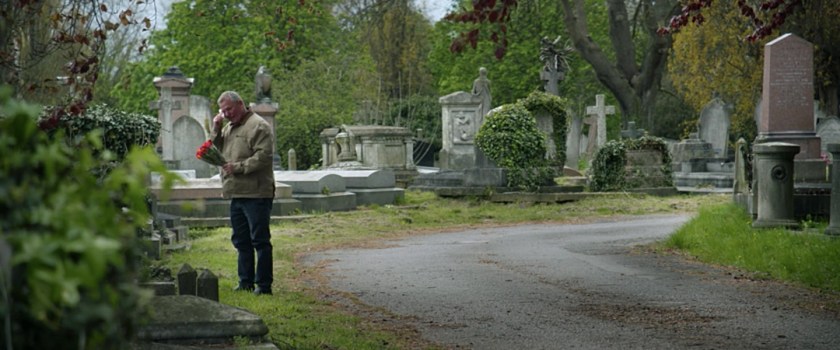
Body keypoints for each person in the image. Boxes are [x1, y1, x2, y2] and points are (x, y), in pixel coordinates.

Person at [212, 91, 276, 295]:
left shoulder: (258, 125)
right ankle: (245, 281)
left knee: (260, 240)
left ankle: (264, 286)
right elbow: (217, 149)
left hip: (256, 193)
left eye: (229, 109)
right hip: (236, 192)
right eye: (223, 111)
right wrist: (216, 128)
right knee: (241, 240)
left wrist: (237, 167)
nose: (226, 114)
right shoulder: (230, 126)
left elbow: (264, 156)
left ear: (240, 104)